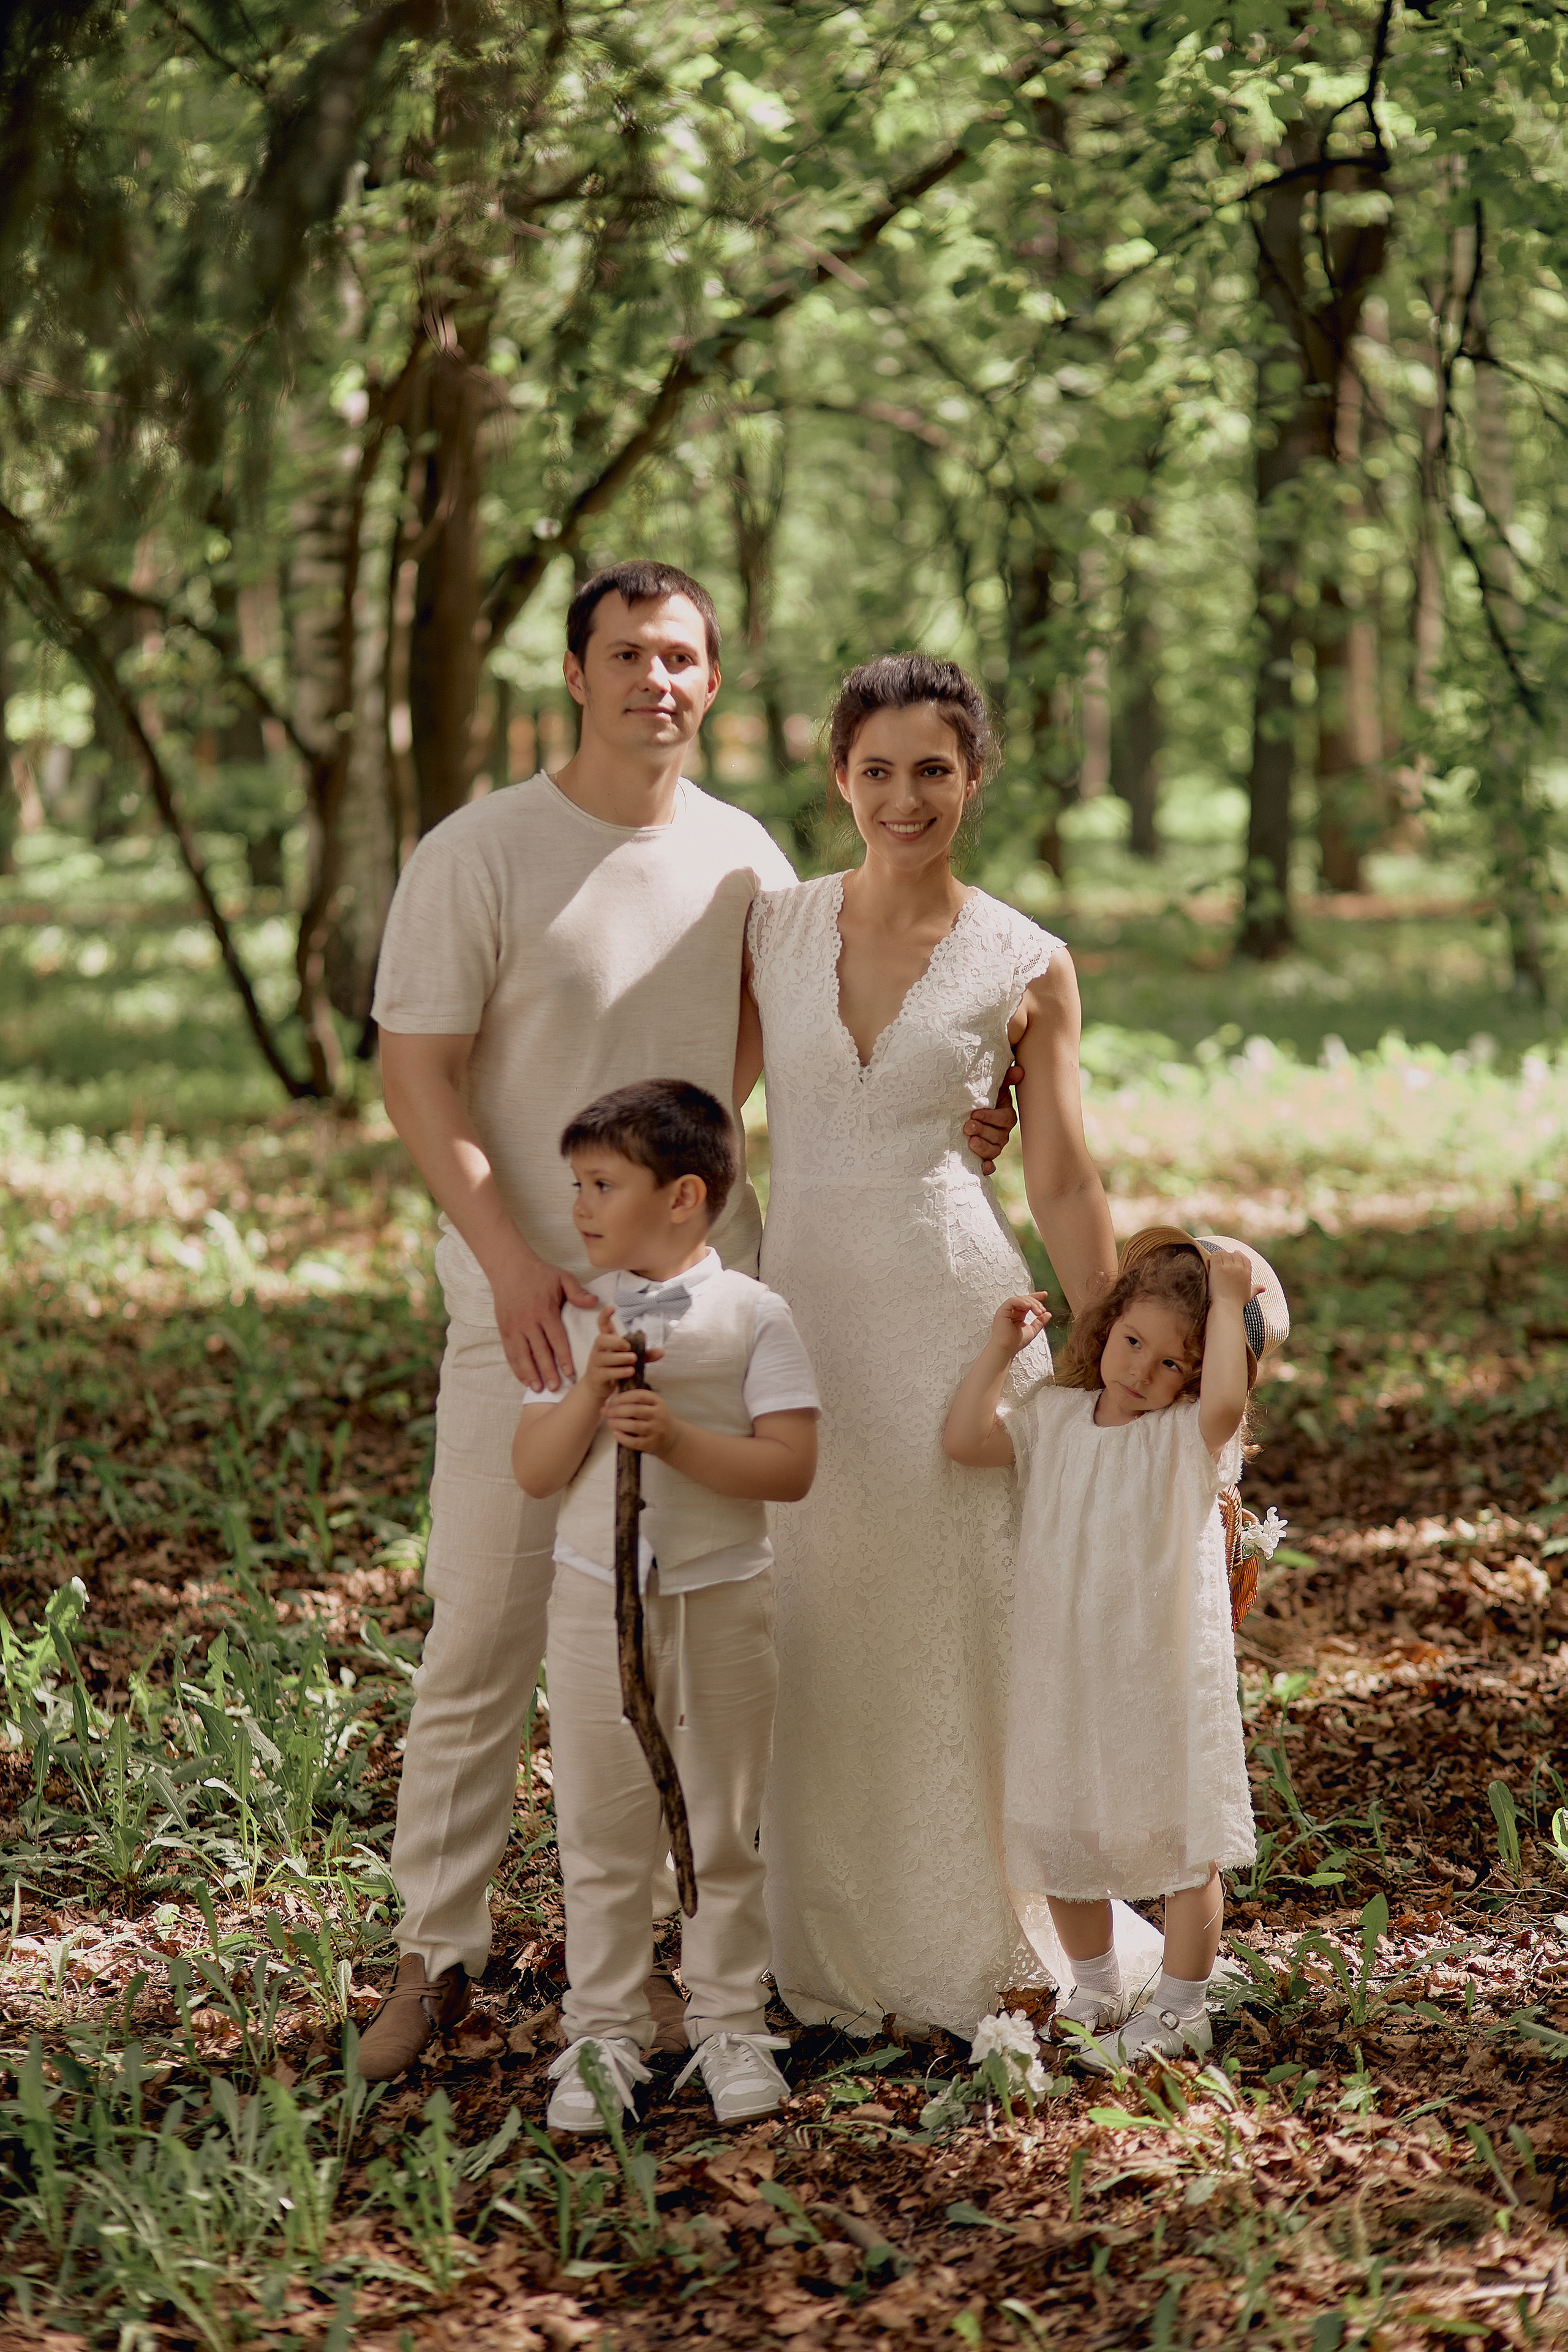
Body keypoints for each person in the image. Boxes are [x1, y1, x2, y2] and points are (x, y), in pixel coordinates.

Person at [360, 560, 798, 2080]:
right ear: (573, 672)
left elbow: (759, 1052)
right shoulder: (480, 851)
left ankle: (657, 1972)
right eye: (625, 654)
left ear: (711, 681)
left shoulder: (744, 860)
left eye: (679, 657)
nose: (652, 681)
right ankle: (434, 1955)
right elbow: (415, 1070)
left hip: (696, 1318)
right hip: (525, 1304)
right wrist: (509, 1258)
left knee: (673, 1643)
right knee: (483, 1625)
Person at [741, 654, 1155, 2038]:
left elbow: (1064, 1178)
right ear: (838, 778)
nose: (903, 797)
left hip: (952, 1325)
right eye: (877, 770)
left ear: (974, 777)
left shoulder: (1026, 959)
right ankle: (812, 1933)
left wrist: (1108, 1370)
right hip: (798, 1325)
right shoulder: (772, 929)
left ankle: (990, 1937)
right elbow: (697, 1114)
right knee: (810, 1618)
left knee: (964, 1628)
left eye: (933, 769)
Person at [512, 1079, 819, 2130]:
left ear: (684, 1197)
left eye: (603, 1185)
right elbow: (535, 1469)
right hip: (595, 1606)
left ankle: (729, 2019)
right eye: (577, 1185)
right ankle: (604, 2030)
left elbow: (791, 1467)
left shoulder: (755, 1315)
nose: (581, 1206)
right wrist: (589, 1393)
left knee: (721, 1825)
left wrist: (680, 1439)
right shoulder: (576, 1316)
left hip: (721, 1601)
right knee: (601, 1829)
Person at [943, 1227, 1289, 2070]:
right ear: (1108, 1326)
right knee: (1061, 1829)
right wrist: (998, 1352)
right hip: (1064, 1664)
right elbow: (964, 1442)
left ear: (1196, 1377)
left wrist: (1227, 1302)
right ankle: (1094, 1987)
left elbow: (1225, 1408)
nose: (1141, 1371)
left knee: (1183, 1835)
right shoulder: (1054, 1418)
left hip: (1157, 1665)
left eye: (1172, 1363)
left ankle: (1182, 2006)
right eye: (1132, 1342)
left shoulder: (1187, 1435)